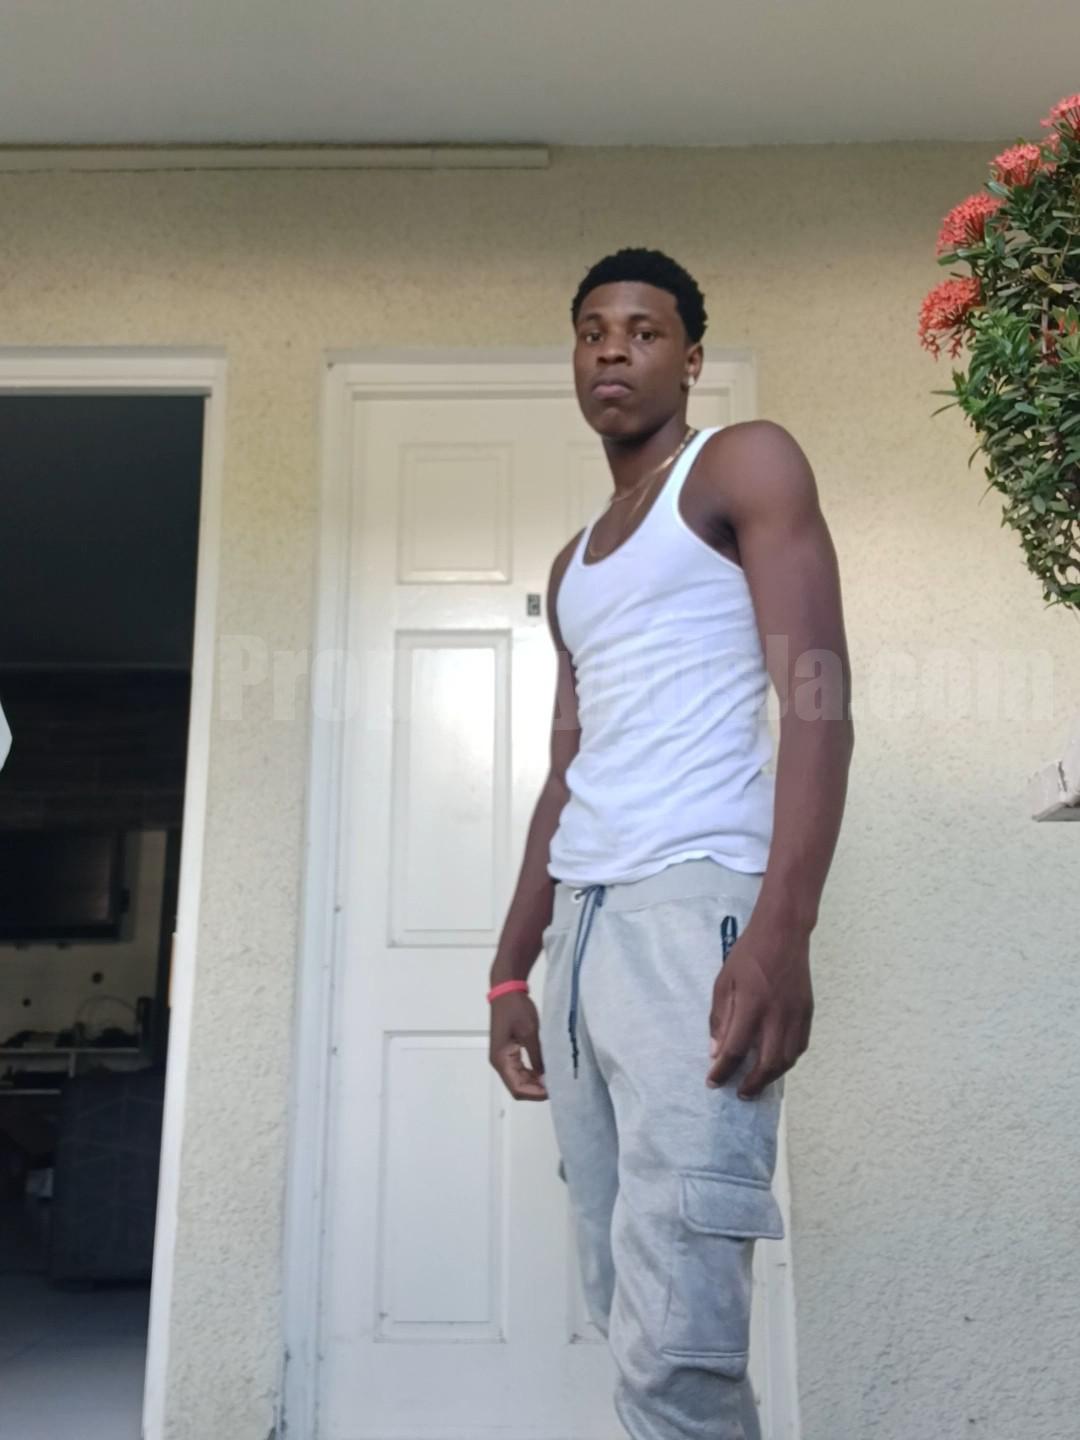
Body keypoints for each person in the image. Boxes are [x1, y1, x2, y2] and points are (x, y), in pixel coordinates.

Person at [488, 248, 853, 1440]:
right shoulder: (574, 563)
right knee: (626, 1308)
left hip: (695, 913)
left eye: (643, 331)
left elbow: (818, 702)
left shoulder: (742, 464)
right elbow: (566, 775)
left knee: (678, 1347)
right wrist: (510, 970)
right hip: (583, 935)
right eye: (592, 329)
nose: (612, 348)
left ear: (690, 359)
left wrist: (782, 935)